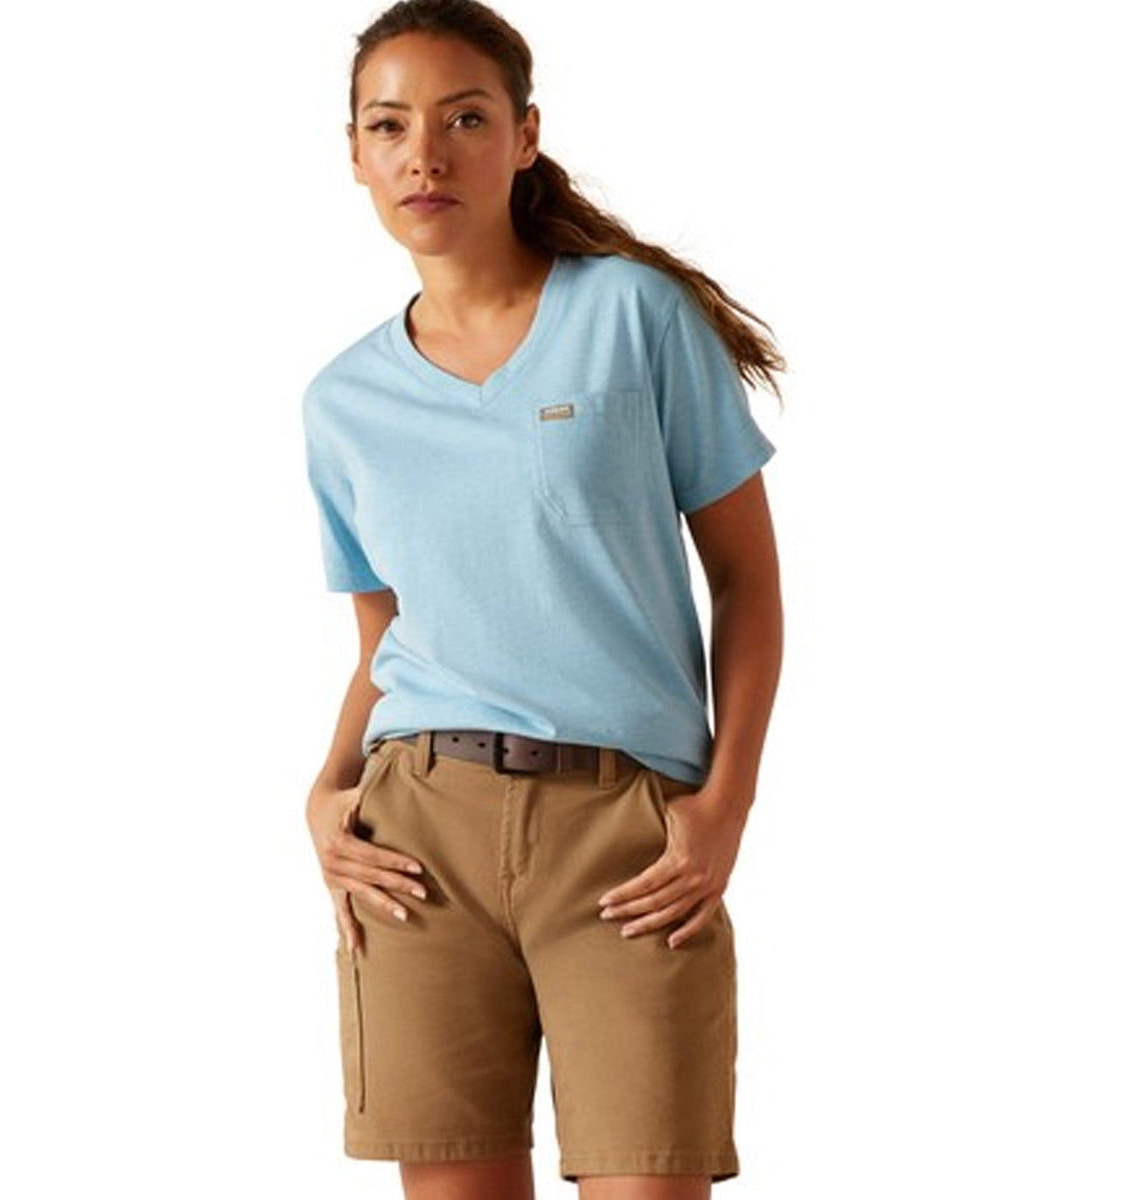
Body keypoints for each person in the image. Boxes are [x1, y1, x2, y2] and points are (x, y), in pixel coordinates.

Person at [300, 2, 785, 1197]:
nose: (425, 153)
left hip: (627, 836)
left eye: (464, 119)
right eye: (389, 125)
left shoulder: (633, 317)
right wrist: (325, 789)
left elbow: (747, 579)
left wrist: (724, 804)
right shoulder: (342, 402)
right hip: (418, 841)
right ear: (354, 153)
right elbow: (386, 636)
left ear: (524, 136)